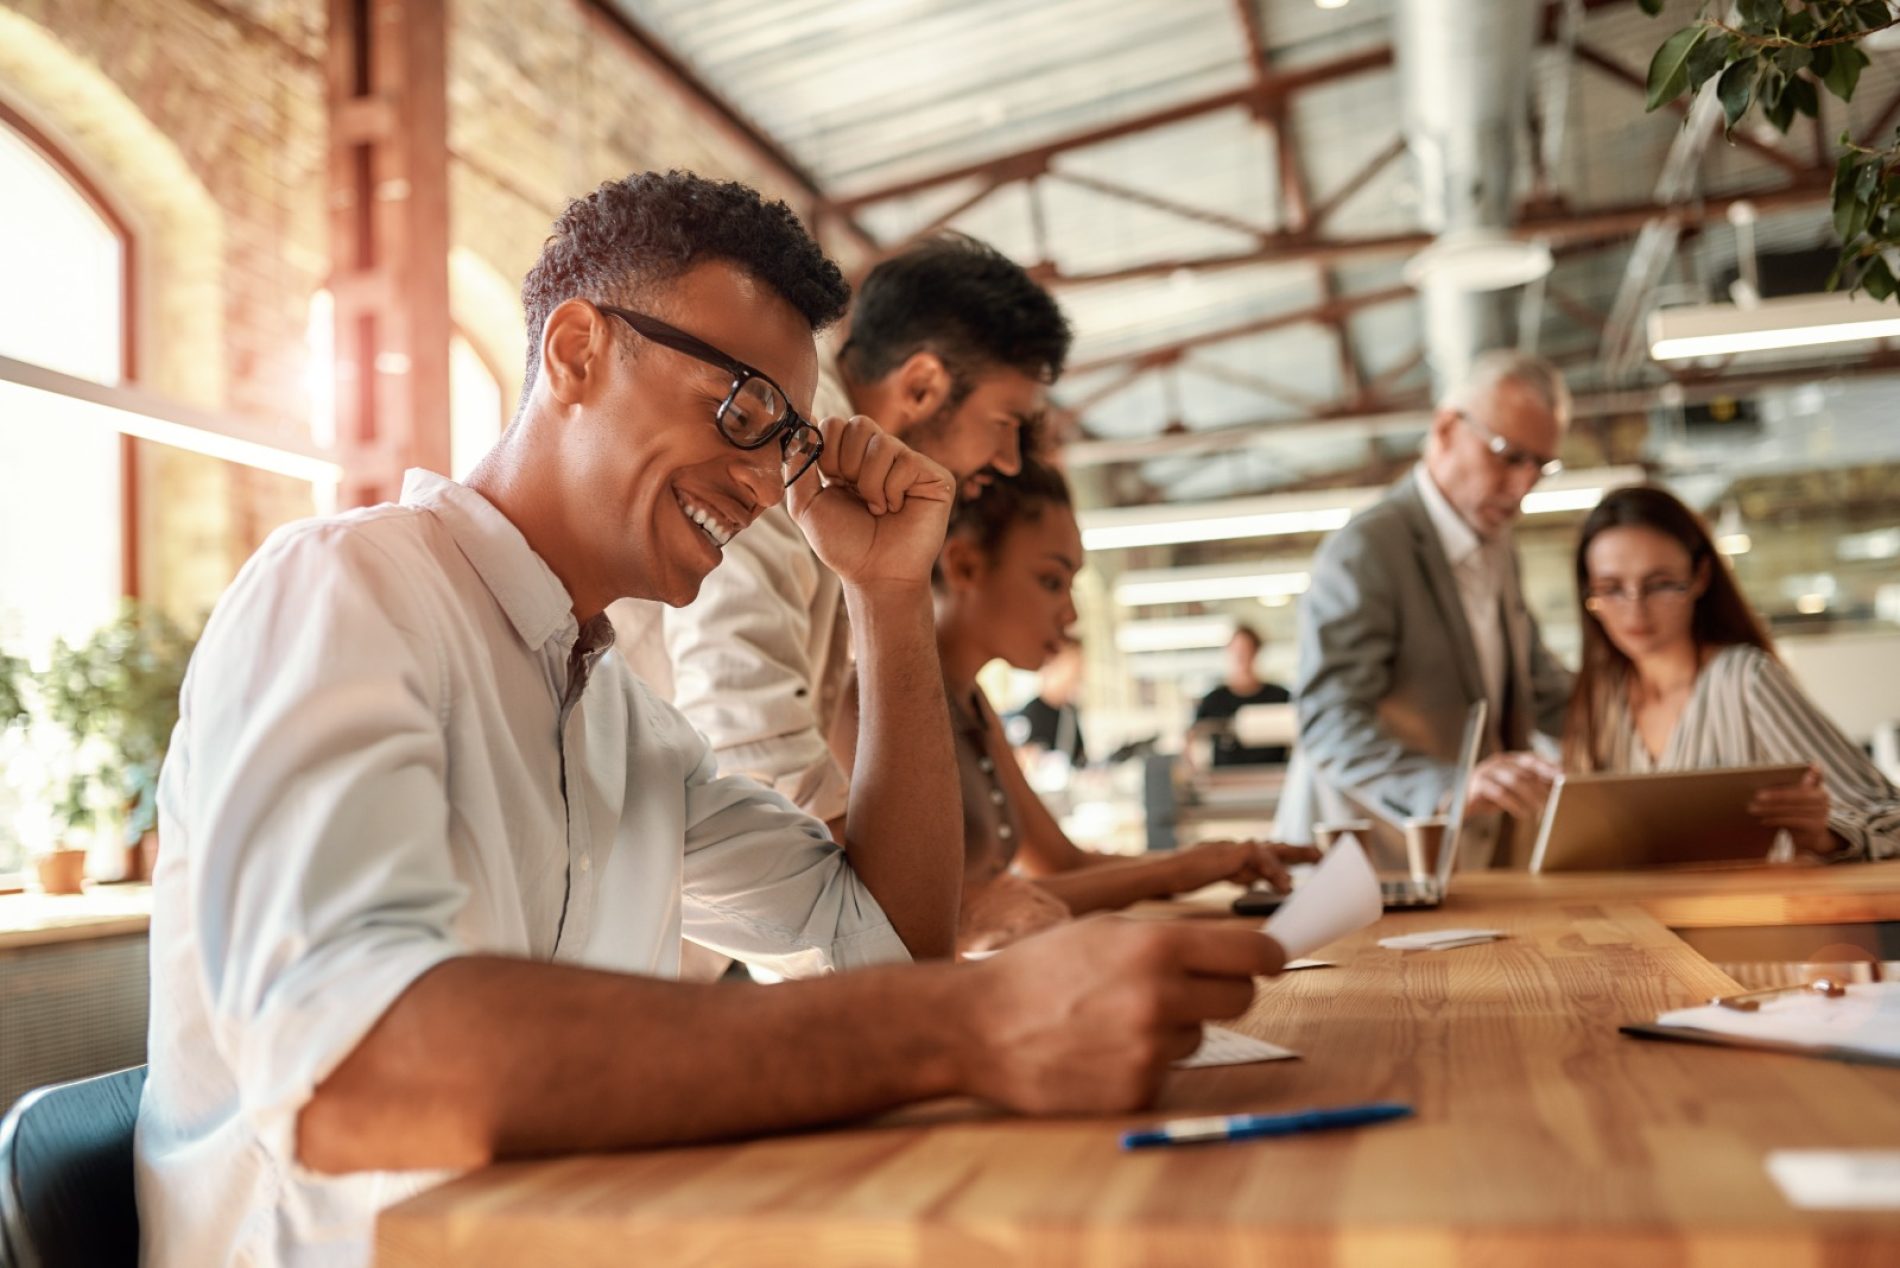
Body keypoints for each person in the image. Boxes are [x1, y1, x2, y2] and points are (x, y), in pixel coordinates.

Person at [133, 172, 1287, 1268]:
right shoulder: (346, 592)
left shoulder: (621, 720)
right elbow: (357, 1069)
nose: (766, 481)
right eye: (743, 408)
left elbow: (881, 941)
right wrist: (964, 1026)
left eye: (789, 438)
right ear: (576, 350)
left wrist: (885, 595)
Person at [614, 232, 1070, 847]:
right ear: (922, 386)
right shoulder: (796, 442)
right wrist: (878, 917)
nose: (1011, 460)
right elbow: (747, 721)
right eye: (1005, 423)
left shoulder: (847, 467)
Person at [933, 458, 1319, 952]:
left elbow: (1061, 865)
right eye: (1052, 581)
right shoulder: (883, 703)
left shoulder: (974, 702)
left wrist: (1209, 860)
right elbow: (969, 910)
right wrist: (1179, 868)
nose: (1069, 614)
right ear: (964, 565)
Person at [1295, 350, 1575, 868]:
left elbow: (1540, 687)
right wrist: (1451, 786)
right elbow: (1330, 723)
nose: (1524, 486)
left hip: (1460, 869)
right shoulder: (1368, 548)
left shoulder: (1499, 552)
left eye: (1541, 466)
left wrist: (1658, 700)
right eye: (1509, 455)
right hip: (1368, 866)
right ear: (1446, 429)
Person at [1564, 485, 1900, 861]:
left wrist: (1824, 834)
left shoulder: (1745, 680)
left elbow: (1889, 817)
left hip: (1756, 915)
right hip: (1635, 918)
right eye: (1611, 589)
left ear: (1701, 577)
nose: (1635, 610)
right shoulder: (1600, 699)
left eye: (1659, 585)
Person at [1193, 624, 1292, 766]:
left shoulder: (1281, 697)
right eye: (1237, 650)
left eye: (1246, 650)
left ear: (1256, 651)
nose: (1241, 656)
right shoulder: (1213, 701)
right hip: (1223, 781)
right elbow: (1194, 739)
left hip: (1273, 777)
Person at [1007, 634, 1087, 768]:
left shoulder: (1069, 714)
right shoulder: (1028, 717)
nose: (1080, 674)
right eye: (1074, 667)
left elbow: (1080, 760)